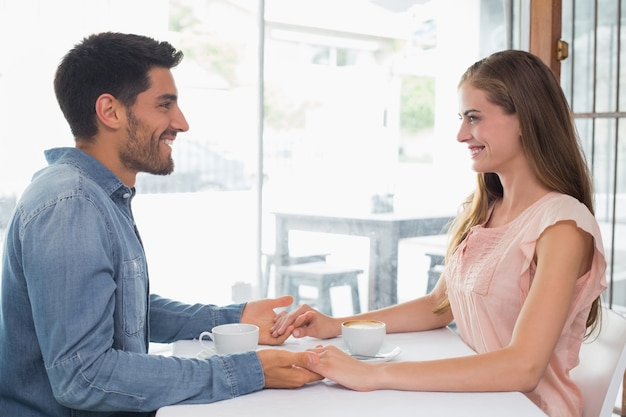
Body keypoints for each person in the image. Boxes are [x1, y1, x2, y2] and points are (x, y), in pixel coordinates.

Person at [0, 32, 321, 417]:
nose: (181, 123)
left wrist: (231, 318)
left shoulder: (93, 194)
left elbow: (114, 308)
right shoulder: (71, 203)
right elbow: (84, 376)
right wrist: (248, 370)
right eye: (164, 105)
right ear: (110, 111)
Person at [271, 50, 607, 417]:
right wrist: (337, 324)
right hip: (476, 402)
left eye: (474, 118)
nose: (462, 134)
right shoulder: (488, 209)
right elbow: (438, 305)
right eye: (462, 118)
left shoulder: (562, 226)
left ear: (525, 119)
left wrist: (375, 374)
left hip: (526, 409)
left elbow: (523, 367)